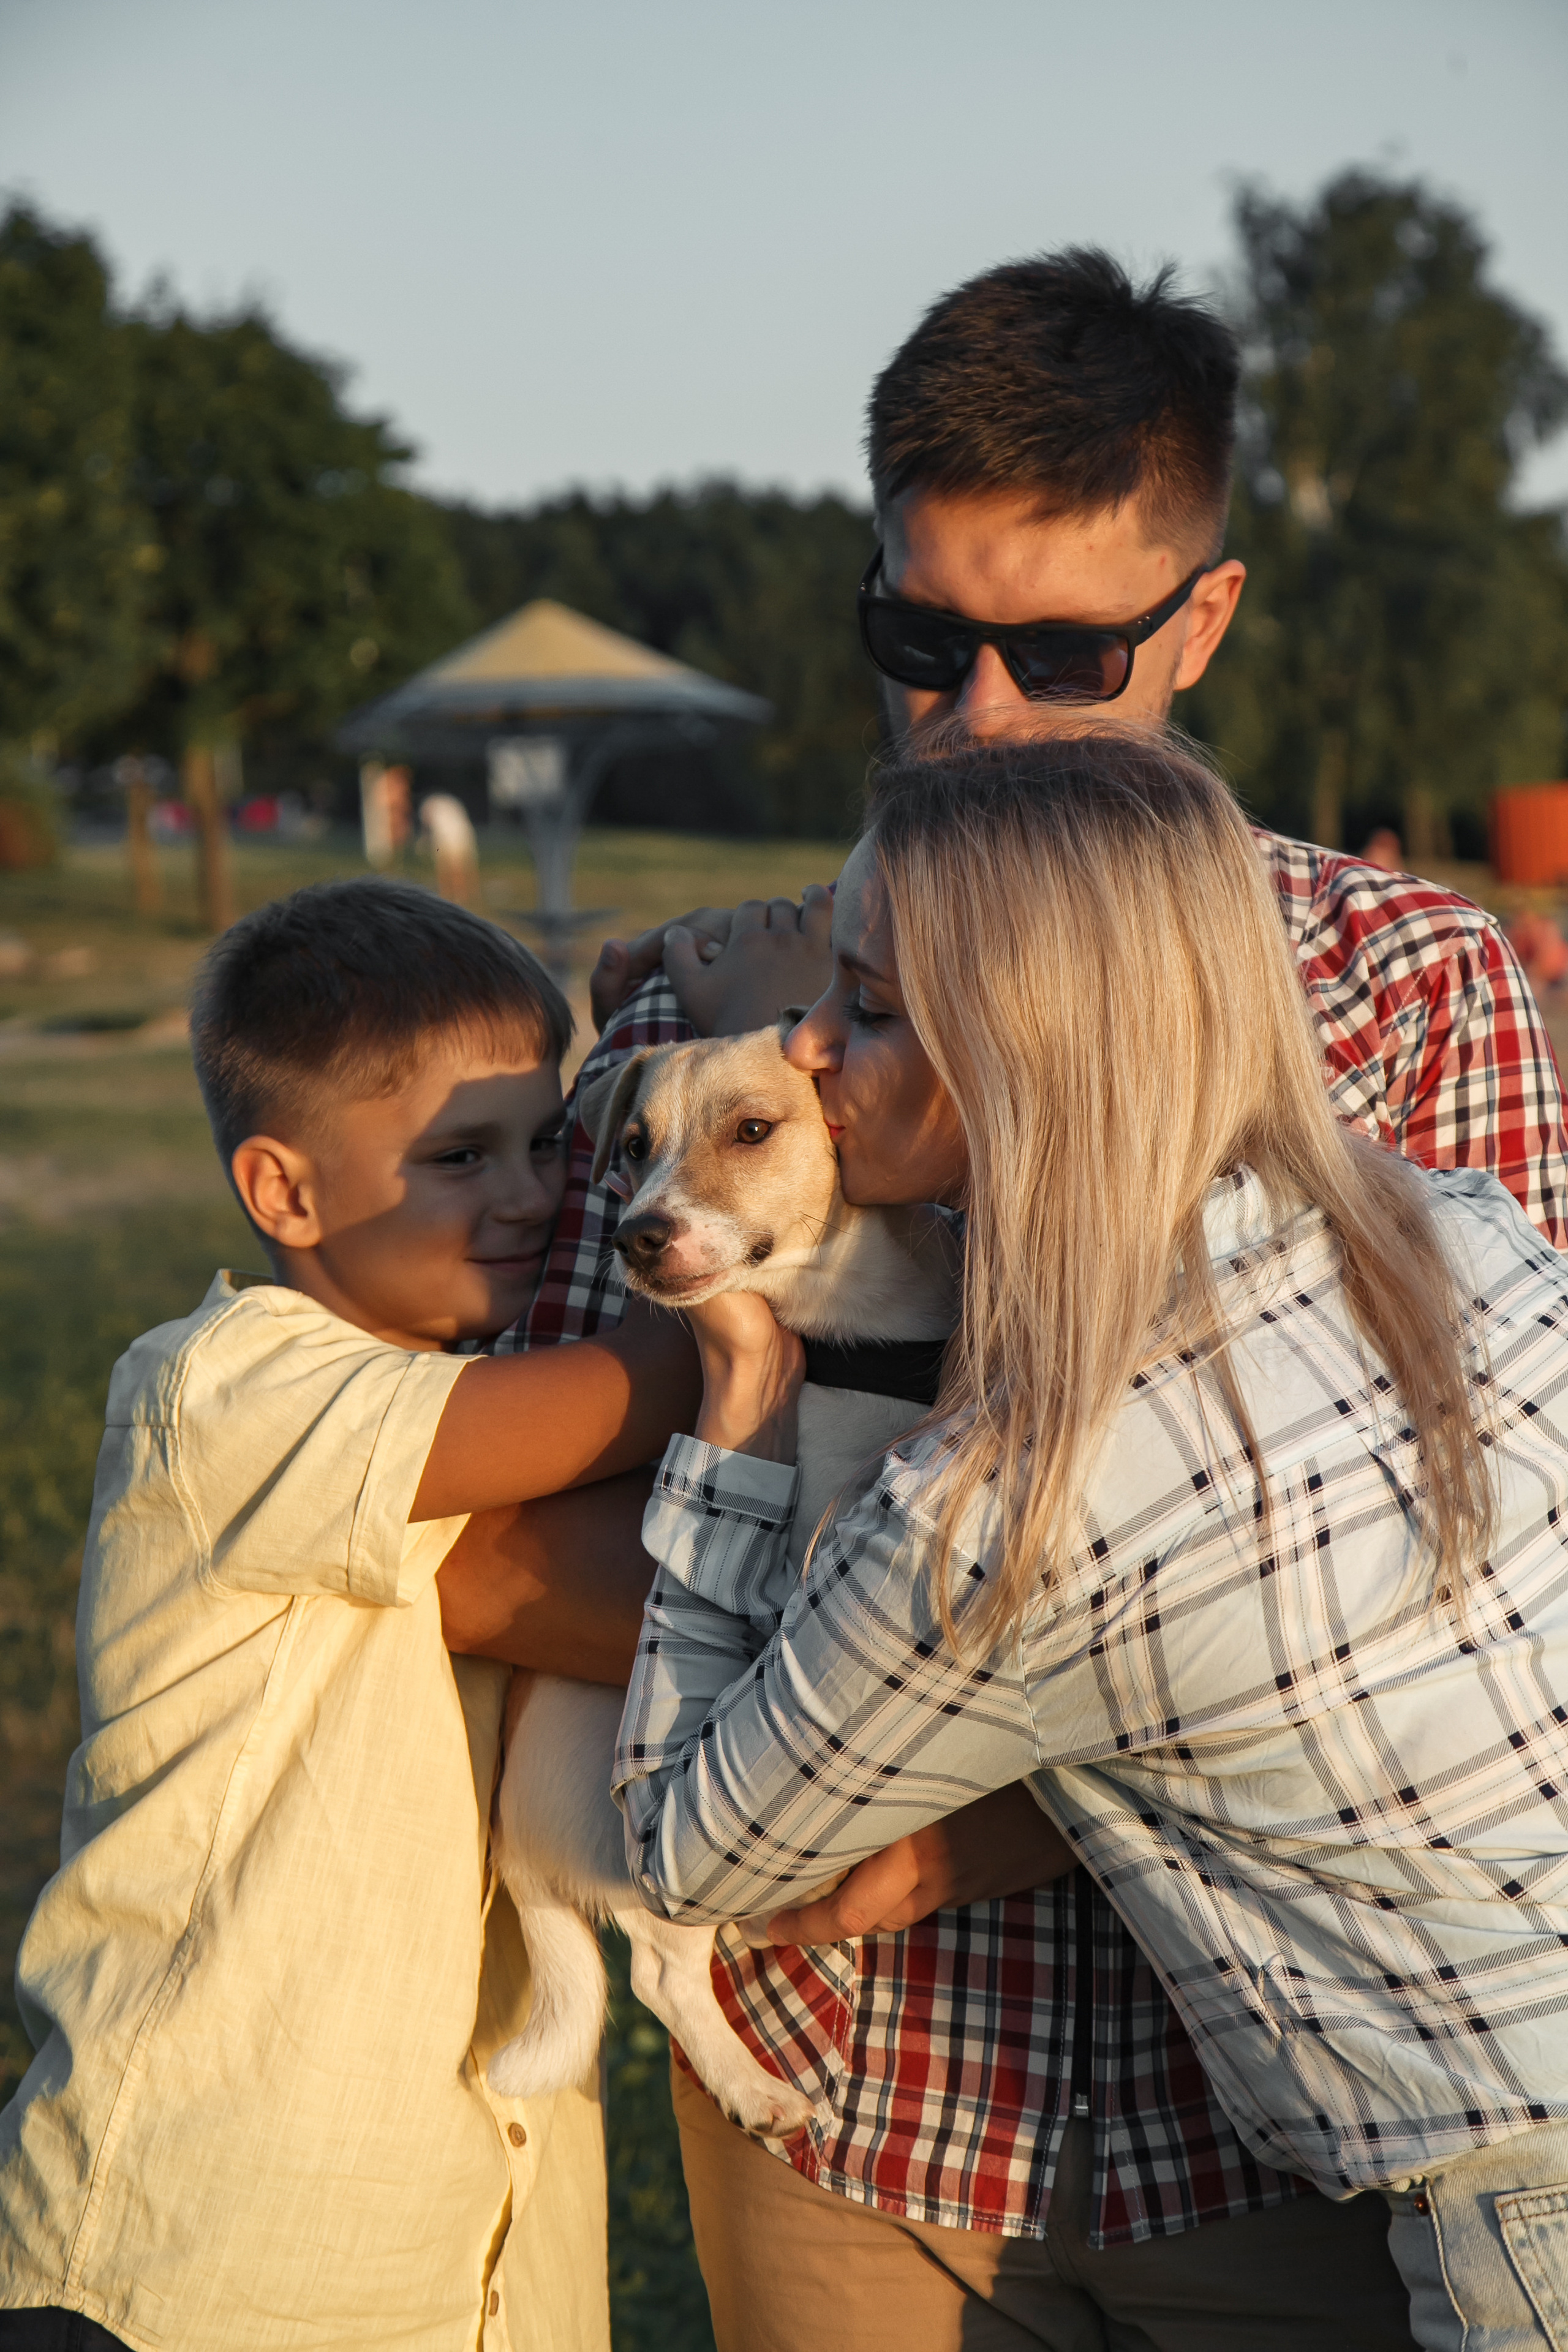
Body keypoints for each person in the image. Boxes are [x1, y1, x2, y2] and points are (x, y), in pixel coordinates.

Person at [545, 250, 1568, 2347]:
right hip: (846, 2107)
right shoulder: (711, 1035)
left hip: (1282, 2159)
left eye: (1062, 651)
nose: (979, 718)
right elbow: (531, 1544)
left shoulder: (1408, 992)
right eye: (922, 642)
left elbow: (1481, 1594)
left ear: (1202, 620)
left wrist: (931, 1811)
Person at [0, 879, 698, 2352]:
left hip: (454, 2262)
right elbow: (623, 1397)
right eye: (462, 1156)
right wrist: (727, 1279)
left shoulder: (442, 1405)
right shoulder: (225, 1388)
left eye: (548, 1148)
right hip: (200, 2246)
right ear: (285, 1194)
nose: (532, 1196)